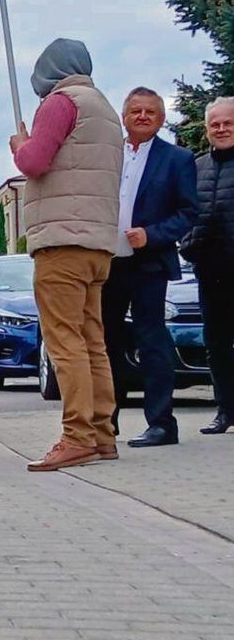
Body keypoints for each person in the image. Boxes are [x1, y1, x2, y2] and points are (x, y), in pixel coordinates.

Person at [9, 38, 123, 471]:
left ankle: (76, 435)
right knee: (93, 341)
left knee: (66, 343)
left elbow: (35, 162)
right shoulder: (106, 109)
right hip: (97, 245)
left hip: (62, 241)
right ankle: (101, 434)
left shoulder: (61, 103)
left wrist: (20, 144)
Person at [101, 87, 198, 449]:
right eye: (136, 111)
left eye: (151, 112)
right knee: (105, 342)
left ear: (161, 118)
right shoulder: (109, 156)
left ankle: (161, 423)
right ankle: (105, 422)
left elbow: (189, 213)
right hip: (107, 263)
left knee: (152, 340)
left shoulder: (177, 159)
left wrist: (152, 234)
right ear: (124, 116)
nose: (142, 117)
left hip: (149, 264)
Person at [181, 97, 234, 435]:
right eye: (215, 124)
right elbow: (183, 211)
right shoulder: (196, 167)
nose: (221, 128)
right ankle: (225, 411)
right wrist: (189, 244)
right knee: (216, 344)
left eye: (228, 122)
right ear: (207, 129)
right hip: (210, 269)